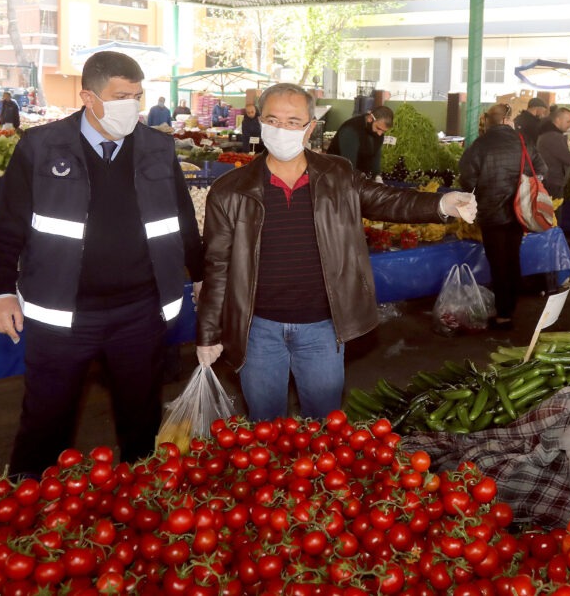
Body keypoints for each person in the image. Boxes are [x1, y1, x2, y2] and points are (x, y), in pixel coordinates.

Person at [0, 51, 204, 477]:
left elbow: (182, 222)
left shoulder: (158, 148)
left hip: (140, 312)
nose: (132, 107)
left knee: (141, 421)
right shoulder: (41, 147)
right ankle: (31, 506)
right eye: (121, 96)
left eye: (137, 96)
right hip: (64, 316)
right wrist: (0, 291)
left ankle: (143, 505)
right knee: (46, 421)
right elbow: (8, 227)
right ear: (88, 96)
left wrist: (201, 276)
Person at [194, 84, 476, 420]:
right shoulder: (230, 190)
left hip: (323, 326)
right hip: (257, 329)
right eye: (273, 120)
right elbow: (218, 266)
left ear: (310, 127)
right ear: (261, 124)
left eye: (293, 121)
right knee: (265, 425)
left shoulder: (337, 174)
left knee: (324, 422)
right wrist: (208, 333)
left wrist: (442, 203)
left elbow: (388, 200)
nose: (282, 129)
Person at [460, 104, 547, 330]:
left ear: (489, 122)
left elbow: (467, 180)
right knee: (512, 258)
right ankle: (510, 308)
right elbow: (541, 169)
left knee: (498, 263)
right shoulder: (522, 141)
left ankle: (504, 315)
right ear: (507, 120)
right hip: (519, 212)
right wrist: (524, 186)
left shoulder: (479, 145)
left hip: (490, 214)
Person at [326, 106, 393, 181]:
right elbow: (349, 165)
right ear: (370, 119)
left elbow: (376, 153)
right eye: (378, 128)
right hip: (337, 176)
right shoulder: (351, 131)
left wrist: (377, 175)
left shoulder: (377, 130)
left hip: (357, 176)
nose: (380, 134)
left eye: (383, 131)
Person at [536, 106, 570, 200]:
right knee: (554, 213)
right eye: (568, 121)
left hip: (550, 180)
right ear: (558, 120)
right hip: (552, 182)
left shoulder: (550, 134)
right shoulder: (553, 137)